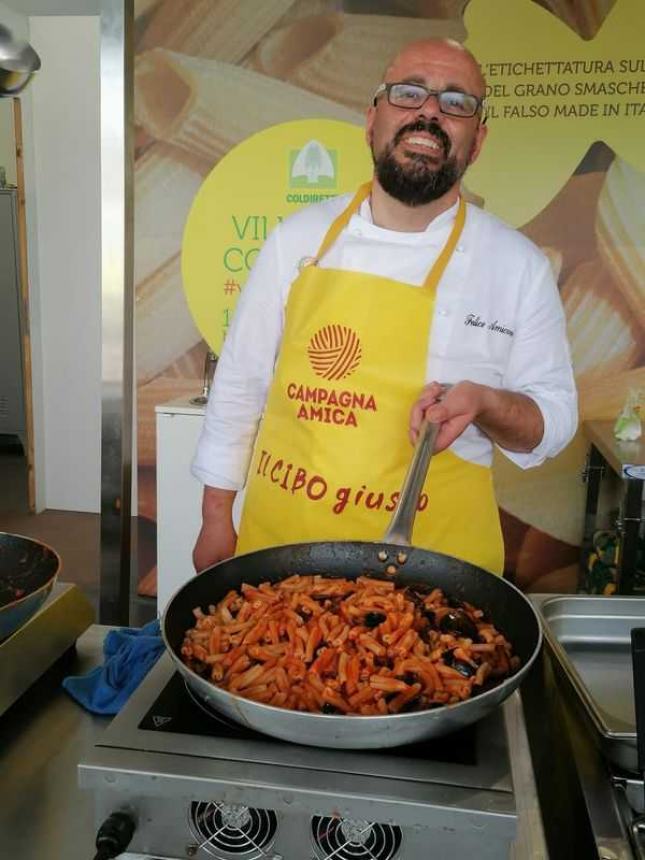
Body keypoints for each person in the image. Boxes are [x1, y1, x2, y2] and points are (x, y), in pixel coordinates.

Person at [191, 38, 577, 576]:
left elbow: (554, 420)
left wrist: (487, 403)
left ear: (478, 140)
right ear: (372, 119)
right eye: (409, 92)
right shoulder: (297, 238)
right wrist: (216, 516)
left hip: (435, 569)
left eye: (456, 102)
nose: (430, 112)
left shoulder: (517, 266)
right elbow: (241, 382)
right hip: (284, 550)